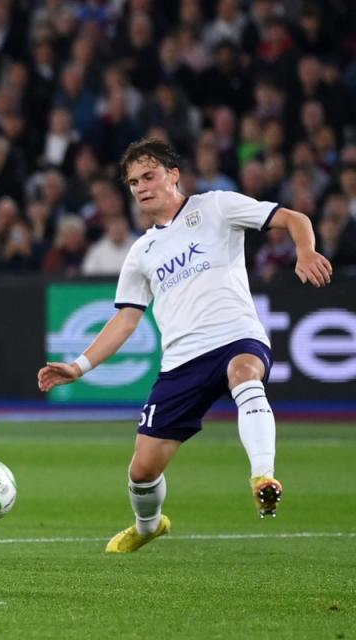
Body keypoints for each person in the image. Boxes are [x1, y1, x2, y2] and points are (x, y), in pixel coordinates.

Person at [38, 138, 332, 553]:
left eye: (149, 176)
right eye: (133, 182)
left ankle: (263, 477)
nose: (141, 187)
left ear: (173, 175)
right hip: (181, 364)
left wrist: (305, 251)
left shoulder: (216, 206)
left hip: (236, 336)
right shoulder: (141, 252)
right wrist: (79, 367)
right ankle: (148, 525)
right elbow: (126, 319)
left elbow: (294, 217)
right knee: (141, 472)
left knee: (245, 372)